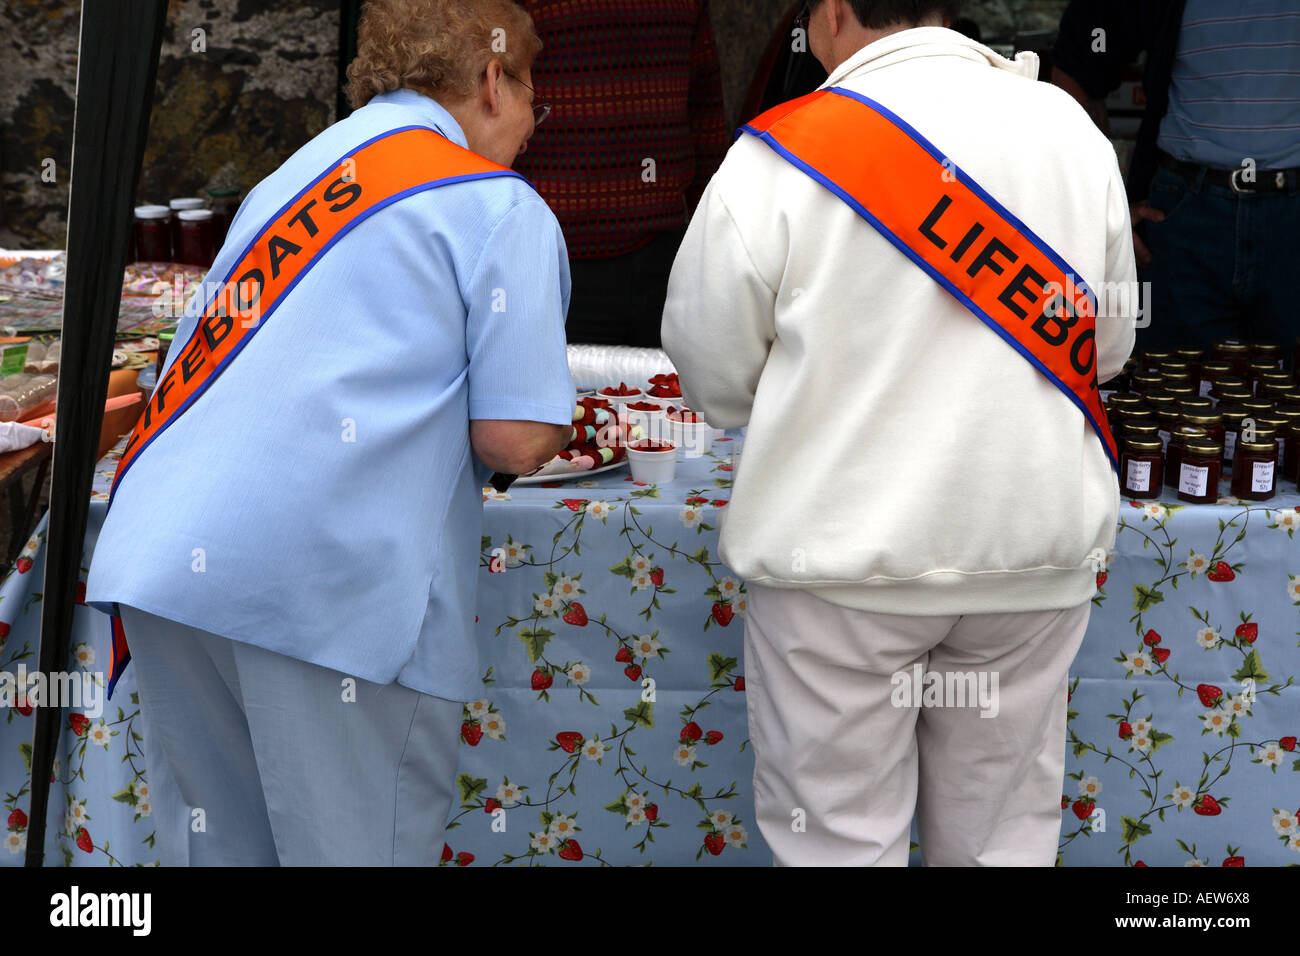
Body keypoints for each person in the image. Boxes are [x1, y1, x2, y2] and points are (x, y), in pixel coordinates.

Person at [84, 0, 575, 866]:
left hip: (166, 560)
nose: (537, 125)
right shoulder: (497, 204)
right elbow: (513, 438)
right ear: (494, 82)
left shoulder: (295, 174)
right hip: (327, 590)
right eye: (537, 95)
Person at [662, 0, 1136, 865]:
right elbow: (1104, 348)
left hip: (837, 564)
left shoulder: (778, 152)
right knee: (1000, 845)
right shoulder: (1069, 132)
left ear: (834, 10)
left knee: (839, 847)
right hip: (1028, 552)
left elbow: (712, 369)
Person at [1051, 0, 1300, 351]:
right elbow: (1074, 75)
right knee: (1166, 385)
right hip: (1183, 216)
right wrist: (1101, 207)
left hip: (1290, 218)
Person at [512, 0, 728, 348]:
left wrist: (716, 240)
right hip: (554, 254)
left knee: (668, 395)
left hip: (667, 253)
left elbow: (706, 110)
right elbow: (489, 95)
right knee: (570, 398)